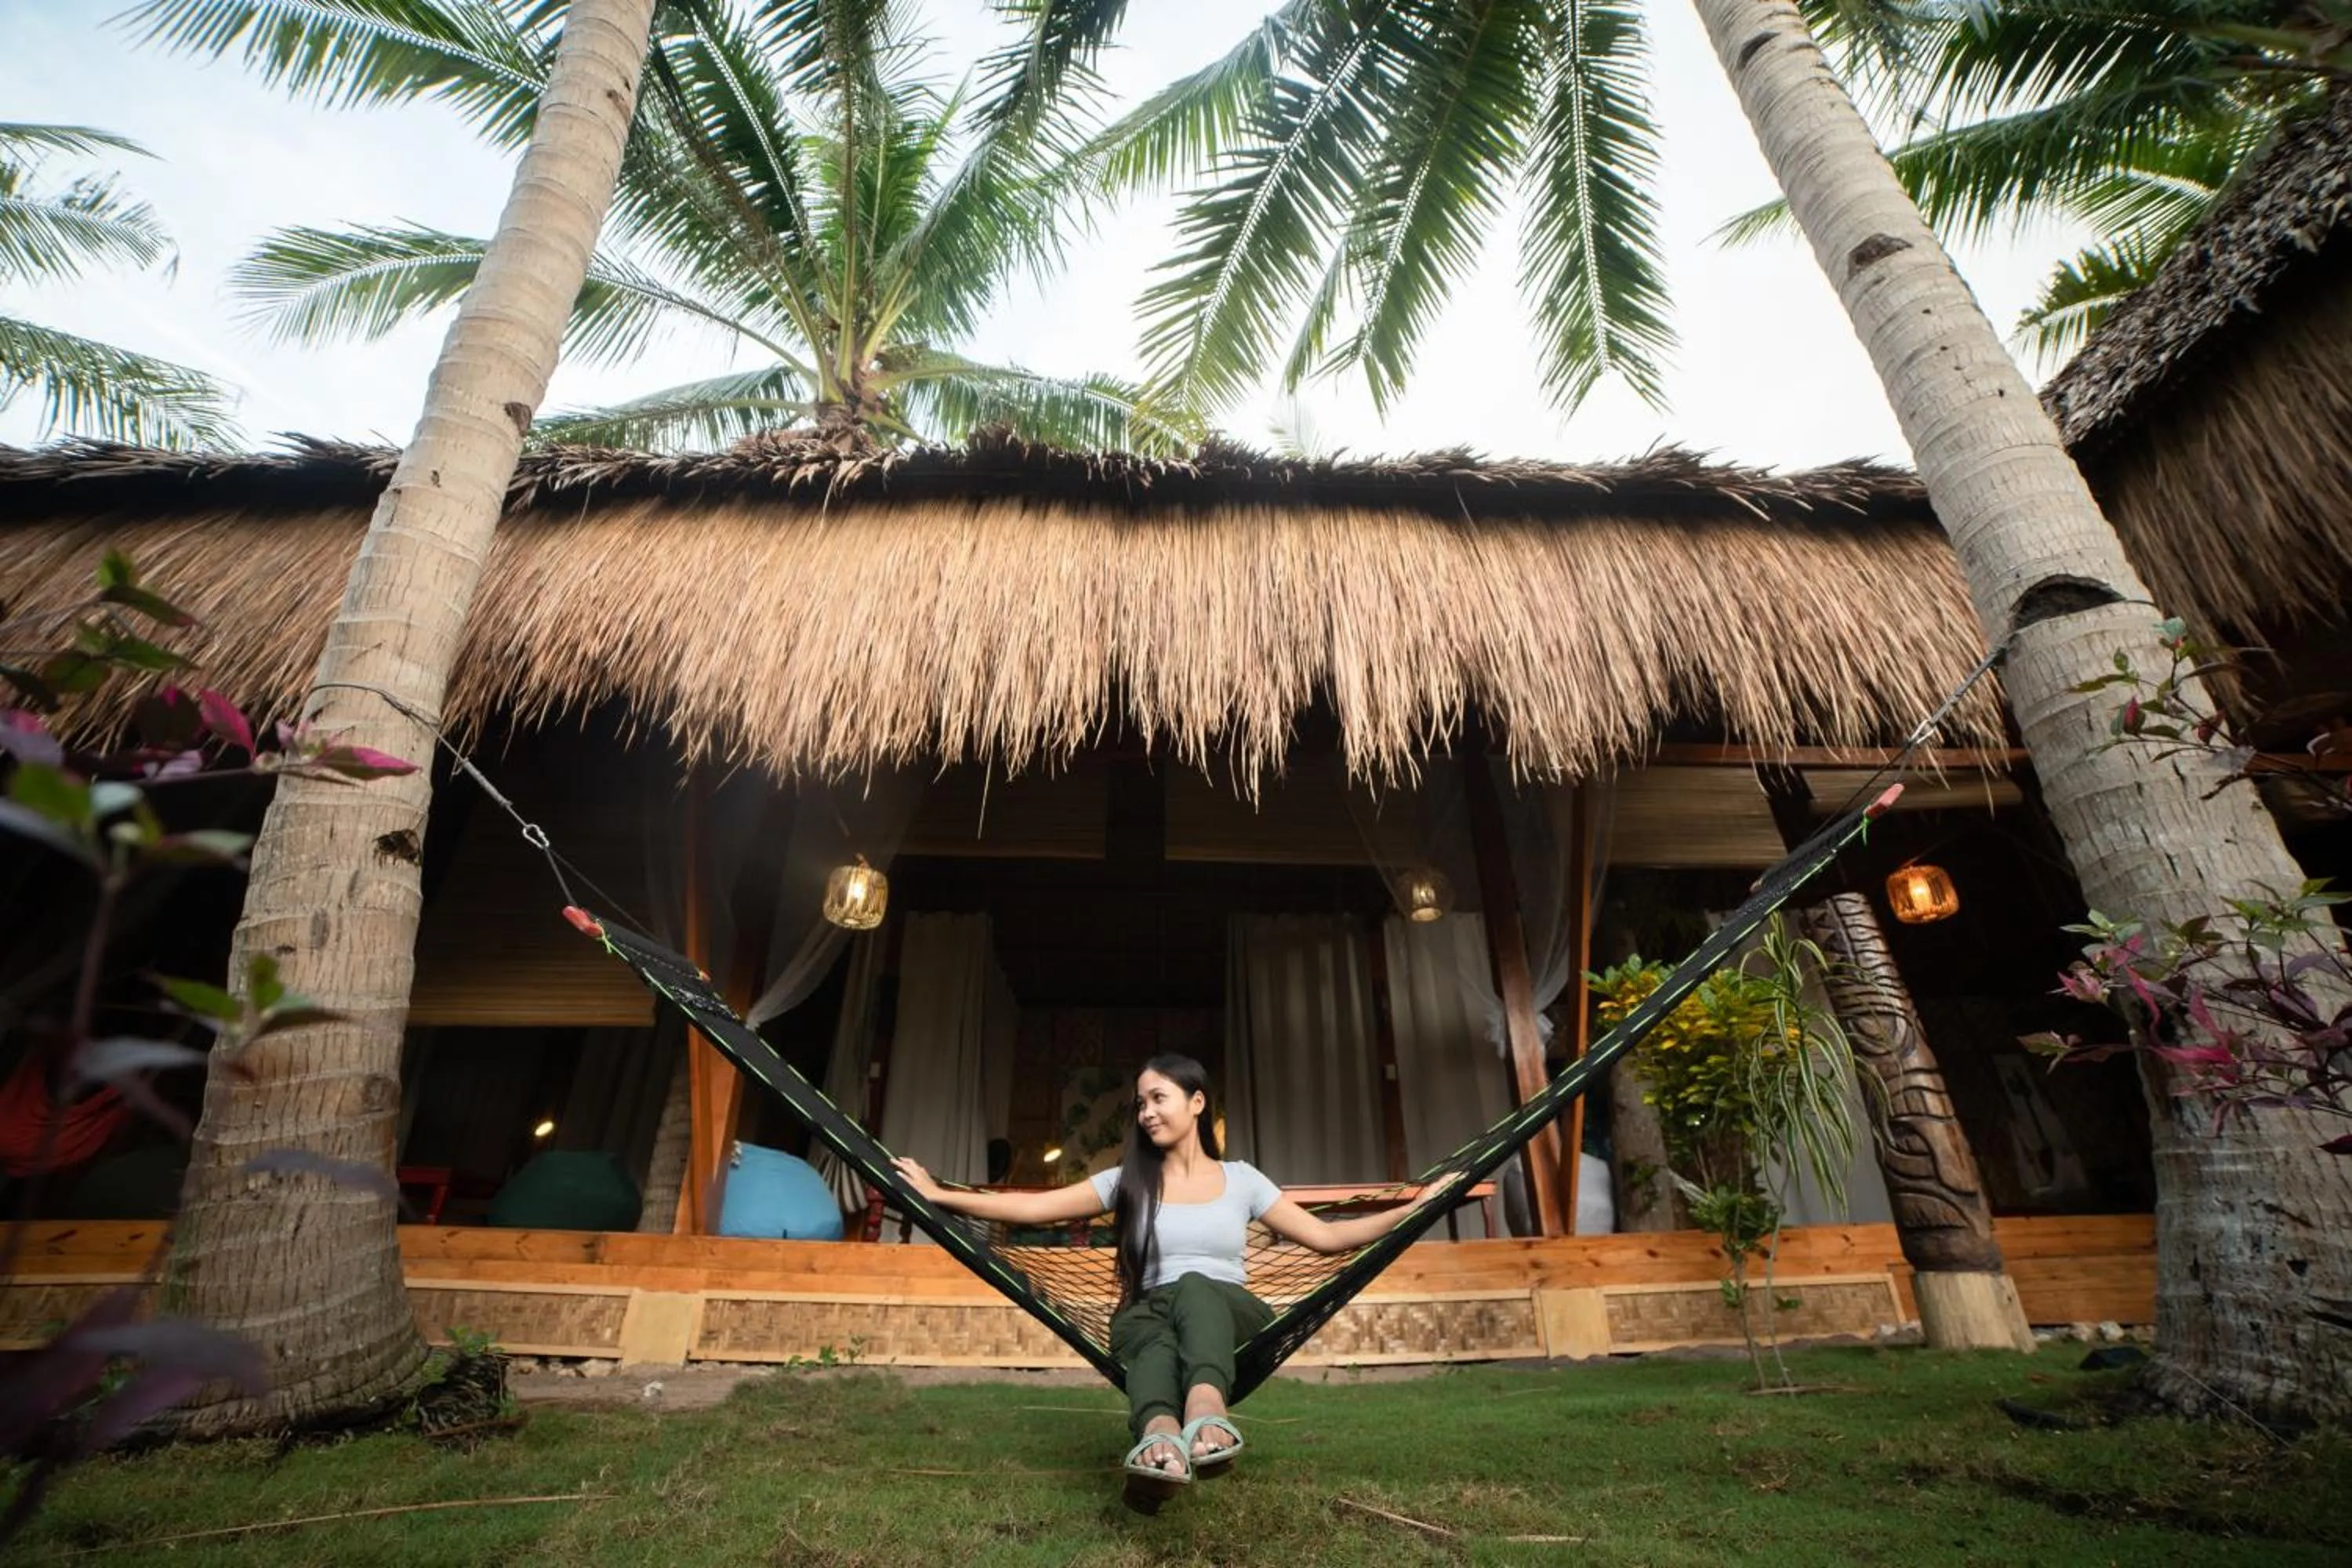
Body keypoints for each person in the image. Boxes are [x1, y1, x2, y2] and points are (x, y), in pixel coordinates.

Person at [892, 1052, 1447, 1509]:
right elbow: (1037, 1209)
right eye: (1141, 1103)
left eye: (1159, 1098)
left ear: (1197, 1102)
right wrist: (939, 1195)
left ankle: (1204, 1406)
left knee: (1196, 1286)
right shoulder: (1127, 1180)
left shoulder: (1242, 1180)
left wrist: (1417, 1207)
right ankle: (1162, 1442)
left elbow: (1326, 1239)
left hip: (1233, 1317)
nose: (1146, 1113)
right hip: (1147, 1314)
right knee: (1152, 1334)